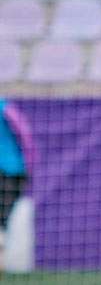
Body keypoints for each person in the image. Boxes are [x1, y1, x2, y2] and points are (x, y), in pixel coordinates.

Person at [0, 100, 32, 271]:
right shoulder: (4, 106)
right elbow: (24, 131)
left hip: (11, 169)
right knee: (4, 216)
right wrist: (31, 158)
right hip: (11, 170)